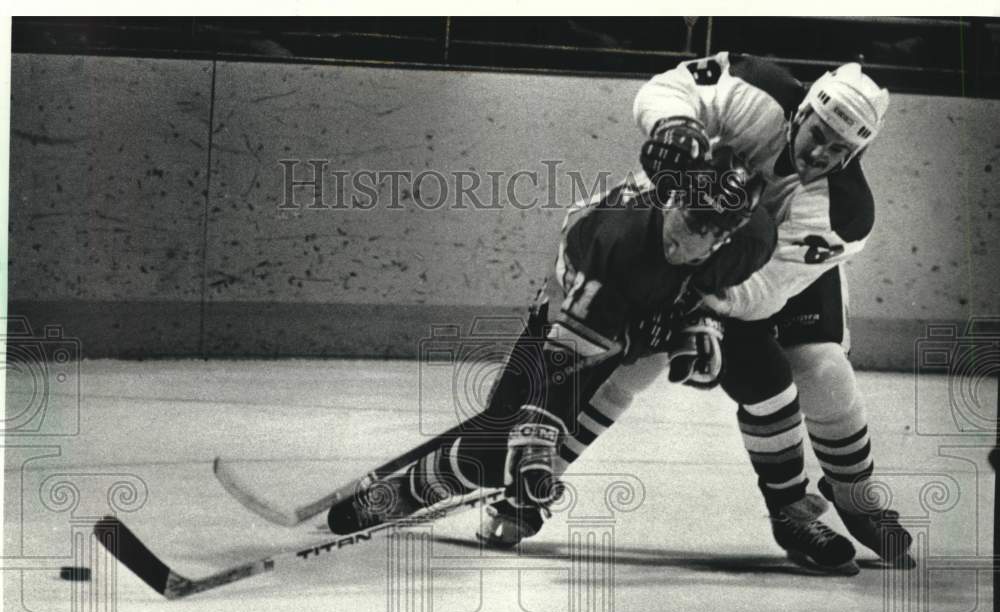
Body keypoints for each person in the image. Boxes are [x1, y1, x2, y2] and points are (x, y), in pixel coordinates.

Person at [327, 148, 775, 541]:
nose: (690, 240)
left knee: (512, 440)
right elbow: (561, 364)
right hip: (584, 294)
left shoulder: (752, 241)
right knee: (499, 439)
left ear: (729, 235)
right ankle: (405, 494)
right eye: (690, 219)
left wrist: (698, 318)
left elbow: (720, 289)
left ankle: (430, 494)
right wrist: (535, 448)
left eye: (710, 232)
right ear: (672, 197)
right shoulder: (618, 238)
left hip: (644, 298)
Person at [616, 52, 913, 572]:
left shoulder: (844, 211)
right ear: (802, 112)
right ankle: (529, 489)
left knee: (821, 367)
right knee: (636, 363)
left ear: (857, 152)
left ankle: (851, 494)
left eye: (839, 148)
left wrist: (695, 303)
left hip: (776, 271)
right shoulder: (757, 86)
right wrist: (674, 124)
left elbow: (765, 292)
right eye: (818, 132)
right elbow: (666, 86)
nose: (820, 152)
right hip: (705, 237)